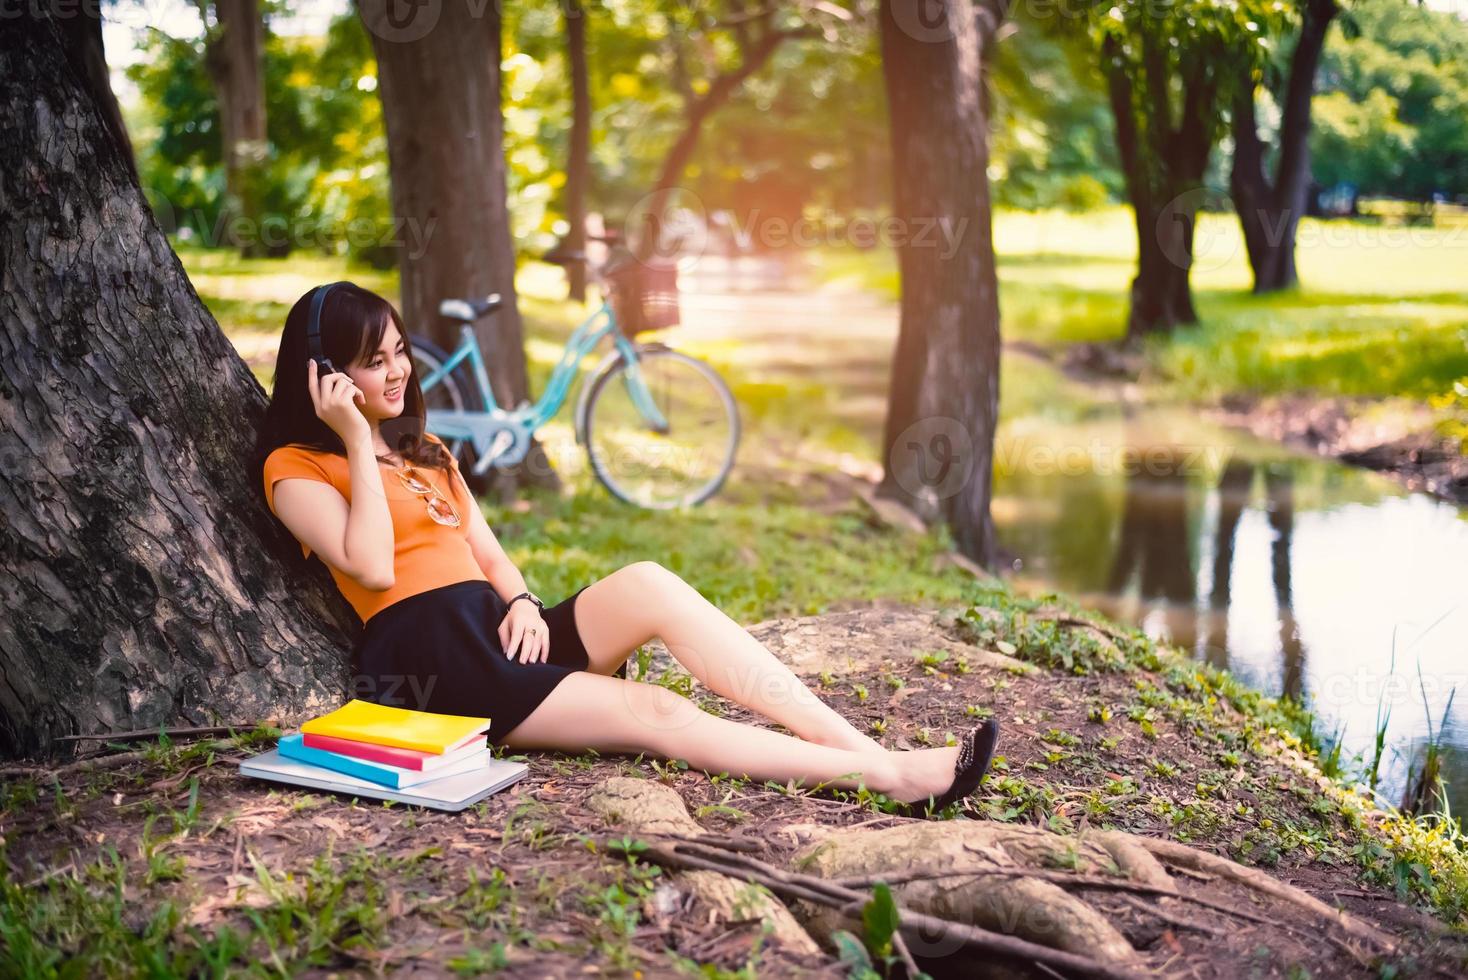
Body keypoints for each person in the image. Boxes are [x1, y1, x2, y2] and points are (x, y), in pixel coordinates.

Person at [250, 282, 999, 816]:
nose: (397, 371)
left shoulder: (427, 450)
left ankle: (856, 746)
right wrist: (354, 440)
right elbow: (373, 568)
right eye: (373, 361)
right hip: (439, 666)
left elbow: (487, 551)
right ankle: (889, 779)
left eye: (399, 352)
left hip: (500, 630)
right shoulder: (296, 468)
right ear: (324, 376)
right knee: (655, 709)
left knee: (649, 582)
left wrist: (519, 600)